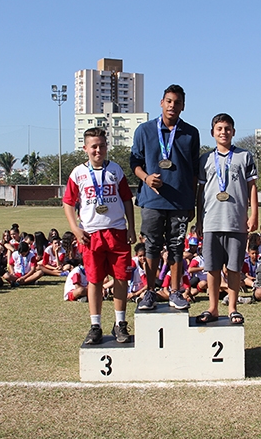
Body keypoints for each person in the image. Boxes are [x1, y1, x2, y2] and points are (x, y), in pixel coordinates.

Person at [130, 84, 200, 311]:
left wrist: (192, 202)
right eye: (168, 101)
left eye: (177, 102)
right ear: (161, 102)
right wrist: (146, 178)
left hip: (180, 201)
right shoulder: (144, 130)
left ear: (183, 106)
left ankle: (175, 292)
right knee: (151, 246)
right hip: (152, 200)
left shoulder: (191, 133)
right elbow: (135, 162)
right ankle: (149, 292)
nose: (172, 105)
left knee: (177, 247)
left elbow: (194, 172)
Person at [64, 127, 137, 344]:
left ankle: (120, 323)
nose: (98, 150)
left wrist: (131, 227)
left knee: (121, 278)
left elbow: (126, 199)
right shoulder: (78, 173)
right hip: (91, 234)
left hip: (116, 231)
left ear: (107, 147)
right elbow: (68, 202)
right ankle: (95, 325)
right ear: (85, 148)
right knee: (94, 280)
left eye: (102, 146)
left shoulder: (115, 170)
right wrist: (75, 228)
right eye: (94, 146)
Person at [194, 113, 258, 325]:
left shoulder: (245, 156)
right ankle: (212, 307)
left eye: (227, 128)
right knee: (211, 267)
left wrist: (254, 213)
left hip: (236, 221)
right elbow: (201, 191)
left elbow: (252, 187)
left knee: (234, 268)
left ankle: (232, 307)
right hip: (211, 221)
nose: (223, 132)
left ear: (234, 132)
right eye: (219, 128)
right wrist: (199, 220)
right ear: (213, 132)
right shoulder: (205, 159)